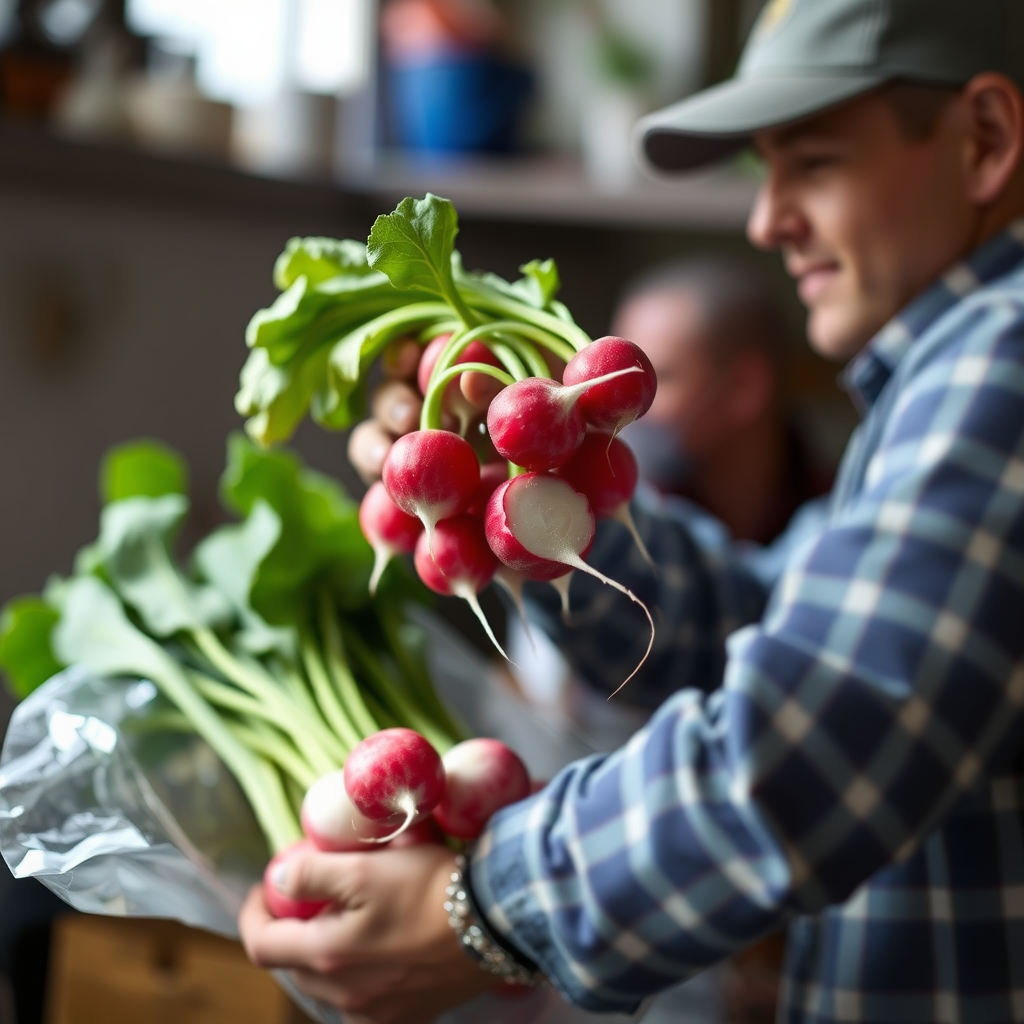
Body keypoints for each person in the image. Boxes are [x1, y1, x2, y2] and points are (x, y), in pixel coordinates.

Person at [238, 2, 1024, 1023]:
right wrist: (525, 500)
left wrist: (485, 909)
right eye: (765, 168)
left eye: (814, 163)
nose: (765, 218)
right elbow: (765, 613)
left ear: (986, 142)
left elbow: (814, 735)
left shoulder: (1000, 358)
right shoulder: (942, 373)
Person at [616, 259, 832, 546]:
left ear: (744, 389)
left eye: (658, 378)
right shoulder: (619, 518)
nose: (620, 405)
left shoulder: (842, 514)